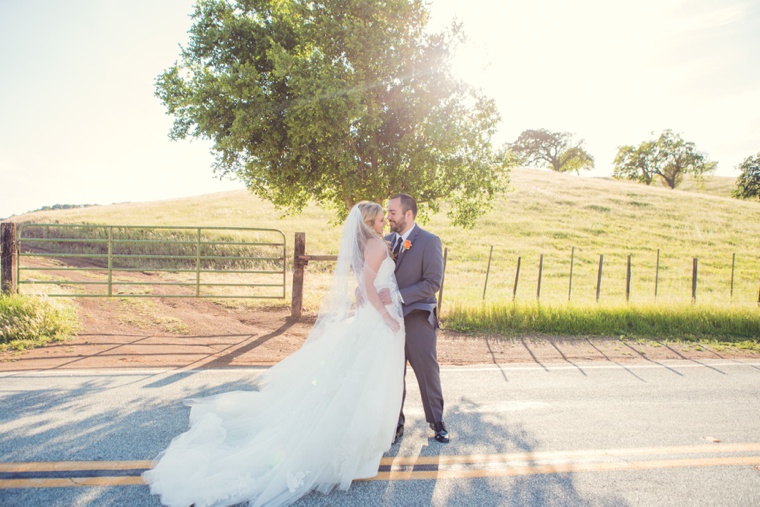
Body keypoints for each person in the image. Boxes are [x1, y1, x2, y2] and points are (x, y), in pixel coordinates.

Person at [142, 202, 405, 507]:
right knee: (367, 382)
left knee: (365, 381)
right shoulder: (373, 243)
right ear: (370, 221)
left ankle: (363, 445)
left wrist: (372, 300)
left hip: (371, 318)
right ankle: (354, 449)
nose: (385, 221)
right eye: (381, 218)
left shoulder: (368, 243)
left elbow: (363, 288)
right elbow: (370, 289)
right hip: (377, 321)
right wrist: (386, 316)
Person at [384, 193, 448, 444]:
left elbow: (433, 283)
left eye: (392, 212)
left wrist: (398, 296)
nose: (388, 217)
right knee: (391, 373)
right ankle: (395, 424)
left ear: (408, 214)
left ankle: (437, 421)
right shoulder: (386, 241)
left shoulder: (429, 241)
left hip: (418, 318)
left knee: (426, 372)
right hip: (389, 322)